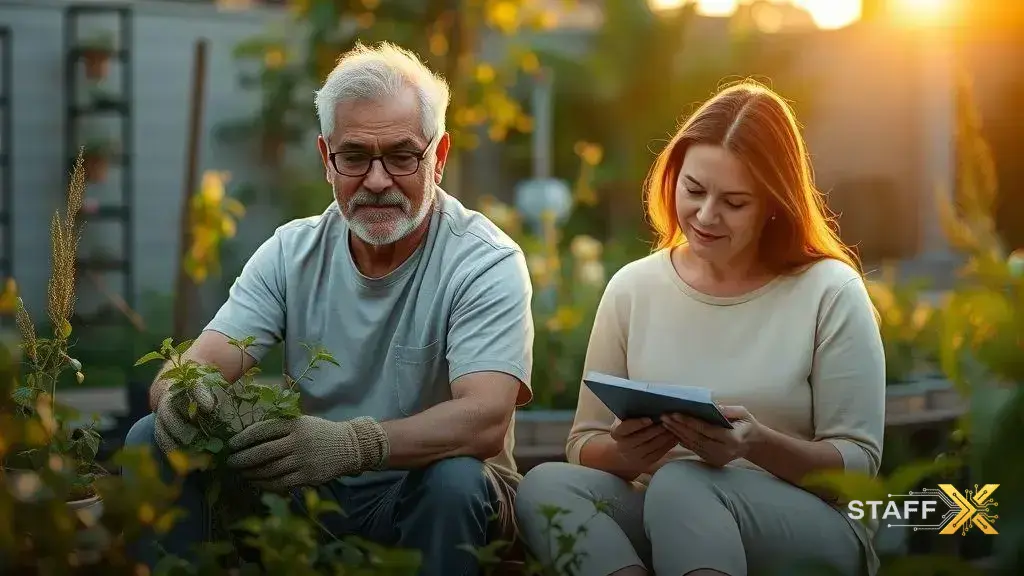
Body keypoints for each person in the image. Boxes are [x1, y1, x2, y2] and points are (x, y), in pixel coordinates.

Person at [124, 41, 534, 576]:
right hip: (309, 491)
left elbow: (483, 420)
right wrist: (177, 393)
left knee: (454, 480)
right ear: (326, 159)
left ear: (439, 156)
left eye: (403, 155)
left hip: (432, 495)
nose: (378, 180)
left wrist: (353, 444)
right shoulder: (292, 252)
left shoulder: (484, 261)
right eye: (356, 156)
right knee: (148, 437)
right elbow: (197, 364)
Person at [514, 80, 886, 576]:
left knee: (684, 485)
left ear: (775, 202)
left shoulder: (829, 291)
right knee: (546, 487)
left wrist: (756, 444)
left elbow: (859, 465)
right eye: (694, 190)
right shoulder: (634, 287)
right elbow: (583, 445)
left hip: (806, 524)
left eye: (734, 202)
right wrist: (629, 452)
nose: (706, 216)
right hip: (665, 509)